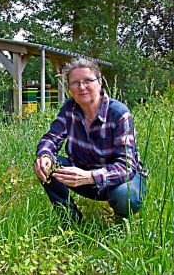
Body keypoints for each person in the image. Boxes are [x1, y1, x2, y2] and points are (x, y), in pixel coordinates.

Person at [33, 58, 147, 225]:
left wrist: (91, 177)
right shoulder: (69, 108)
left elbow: (127, 166)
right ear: (69, 88)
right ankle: (70, 221)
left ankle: (121, 225)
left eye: (88, 81)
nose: (82, 87)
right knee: (46, 166)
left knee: (125, 195)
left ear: (99, 83)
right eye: (75, 83)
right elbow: (52, 137)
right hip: (82, 174)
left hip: (118, 180)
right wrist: (45, 156)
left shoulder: (119, 113)